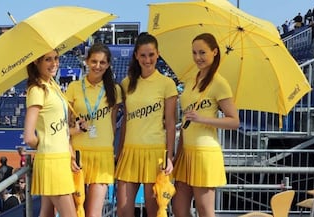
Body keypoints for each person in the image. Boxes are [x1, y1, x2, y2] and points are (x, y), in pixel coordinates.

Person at [172, 33, 240, 217]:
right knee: (178, 207)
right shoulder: (192, 79)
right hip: (186, 151)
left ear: (215, 52)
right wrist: (178, 154)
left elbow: (234, 121)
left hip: (204, 153)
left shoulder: (220, 83)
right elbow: (186, 121)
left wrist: (202, 119)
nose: (197, 57)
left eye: (202, 52)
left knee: (204, 208)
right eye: (194, 52)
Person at [115, 32, 177, 217]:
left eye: (151, 54)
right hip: (129, 152)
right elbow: (125, 120)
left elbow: (171, 123)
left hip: (155, 153)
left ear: (158, 54)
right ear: (136, 55)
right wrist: (119, 151)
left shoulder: (167, 84)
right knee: (123, 211)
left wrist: (169, 156)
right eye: (143, 55)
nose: (147, 59)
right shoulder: (126, 83)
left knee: (155, 212)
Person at [65, 43, 122, 216]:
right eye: (94, 61)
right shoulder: (74, 87)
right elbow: (66, 125)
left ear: (108, 64)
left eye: (102, 62)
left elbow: (113, 124)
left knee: (94, 214)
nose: (98, 66)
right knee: (77, 211)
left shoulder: (115, 89)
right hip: (78, 156)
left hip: (102, 155)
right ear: (87, 62)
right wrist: (70, 151)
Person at [23, 49, 77, 217]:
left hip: (59, 159)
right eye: (48, 59)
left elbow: (61, 130)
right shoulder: (37, 90)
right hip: (51, 161)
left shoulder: (52, 85)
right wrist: (45, 144)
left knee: (46, 213)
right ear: (36, 62)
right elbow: (29, 136)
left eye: (56, 58)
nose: (54, 63)